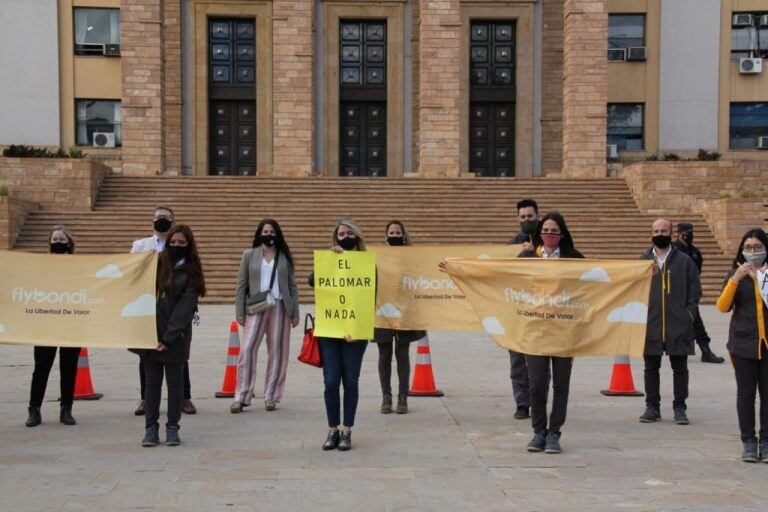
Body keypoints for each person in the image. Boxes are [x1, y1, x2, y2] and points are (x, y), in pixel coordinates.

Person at [518, 213, 583, 454]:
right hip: (536, 330)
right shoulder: (526, 257)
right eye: (546, 230)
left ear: (562, 234)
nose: (550, 235)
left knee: (561, 384)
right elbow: (501, 277)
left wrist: (639, 272)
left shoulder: (574, 259)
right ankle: (538, 431)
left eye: (555, 231)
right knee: (536, 384)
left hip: (564, 330)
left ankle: (554, 432)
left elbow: (600, 281)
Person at [308, 218, 372, 451]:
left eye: (348, 233)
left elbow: (368, 299)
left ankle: (347, 430)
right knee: (331, 380)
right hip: (330, 330)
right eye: (341, 234)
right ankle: (332, 428)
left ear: (357, 236)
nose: (345, 237)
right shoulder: (330, 259)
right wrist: (329, 261)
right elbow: (313, 281)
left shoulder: (366, 264)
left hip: (355, 333)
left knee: (351, 381)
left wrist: (358, 328)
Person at [139, 225, 205, 447]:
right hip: (150, 333)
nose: (176, 246)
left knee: (175, 384)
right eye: (173, 242)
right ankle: (150, 427)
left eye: (181, 243)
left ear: (189, 246)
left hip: (175, 337)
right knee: (151, 384)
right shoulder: (155, 265)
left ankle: (173, 426)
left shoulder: (191, 272)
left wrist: (168, 338)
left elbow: (184, 309)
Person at [131, 205, 196, 416]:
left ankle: (184, 398)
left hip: (175, 307)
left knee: (178, 358)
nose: (162, 220)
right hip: (151, 309)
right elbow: (131, 271)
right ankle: (146, 400)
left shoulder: (183, 253)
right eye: (158, 217)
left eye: (166, 218)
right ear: (152, 220)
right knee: (147, 360)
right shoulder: (141, 245)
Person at [231, 219, 300, 413]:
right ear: (259, 234)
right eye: (265, 231)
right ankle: (242, 396)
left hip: (280, 306)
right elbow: (241, 285)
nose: (268, 234)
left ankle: (271, 395)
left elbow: (293, 287)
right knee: (247, 350)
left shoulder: (284, 256)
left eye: (271, 231)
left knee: (278, 352)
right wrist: (240, 312)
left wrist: (295, 312)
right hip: (257, 305)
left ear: (277, 234)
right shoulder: (249, 255)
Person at [639, 218, 701, 426]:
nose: (660, 233)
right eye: (656, 230)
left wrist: (688, 316)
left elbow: (695, 292)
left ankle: (680, 407)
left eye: (664, 230)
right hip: (652, 322)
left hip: (678, 324)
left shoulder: (684, 261)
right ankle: (652, 406)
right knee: (650, 366)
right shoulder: (643, 261)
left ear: (671, 233)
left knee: (680, 367)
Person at [716, 228, 768, 462]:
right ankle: (748, 441)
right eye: (749, 248)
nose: (753, 252)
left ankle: (766, 441)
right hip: (743, 343)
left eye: (758, 247)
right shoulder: (736, 274)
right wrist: (735, 280)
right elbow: (722, 306)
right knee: (746, 394)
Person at [25, 226, 81, 427]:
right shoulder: (41, 265)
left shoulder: (79, 266)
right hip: (46, 323)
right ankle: (34, 409)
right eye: (54, 239)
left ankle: (66, 409)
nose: (57, 242)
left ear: (69, 243)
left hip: (71, 323)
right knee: (41, 368)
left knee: (69, 368)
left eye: (61, 239)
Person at [373, 220, 425, 415]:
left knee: (402, 354)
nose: (394, 235)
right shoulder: (377, 257)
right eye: (391, 232)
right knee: (384, 355)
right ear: (386, 236)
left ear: (403, 235)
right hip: (382, 310)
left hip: (404, 311)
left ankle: (403, 397)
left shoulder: (411, 257)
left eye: (397, 232)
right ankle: (386, 397)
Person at [507, 198, 540, 420]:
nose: (526, 220)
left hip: (543, 308)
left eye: (530, 216)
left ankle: (539, 400)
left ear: (537, 216)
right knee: (517, 360)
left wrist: (535, 252)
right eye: (523, 217)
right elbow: (507, 271)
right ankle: (522, 403)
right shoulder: (512, 245)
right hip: (518, 309)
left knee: (540, 360)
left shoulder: (549, 241)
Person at [674, 222, 725, 363]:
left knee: (696, 322)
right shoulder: (672, 250)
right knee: (675, 323)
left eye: (691, 231)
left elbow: (697, 272)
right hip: (674, 293)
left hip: (689, 293)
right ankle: (676, 350)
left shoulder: (695, 252)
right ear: (679, 233)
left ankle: (706, 352)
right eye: (687, 232)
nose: (690, 235)